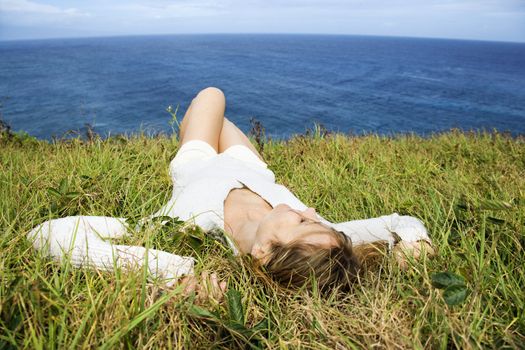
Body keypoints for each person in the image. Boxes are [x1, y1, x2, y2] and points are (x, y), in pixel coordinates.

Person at [28, 87, 434, 298]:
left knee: (211, 96)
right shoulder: (325, 239)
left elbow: (47, 235)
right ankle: (195, 121)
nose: (310, 209)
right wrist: (415, 245)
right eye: (311, 217)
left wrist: (172, 270)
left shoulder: (183, 229)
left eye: (300, 220)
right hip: (252, 167)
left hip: (199, 164)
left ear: (263, 252)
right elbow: (401, 221)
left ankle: (190, 124)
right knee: (221, 112)